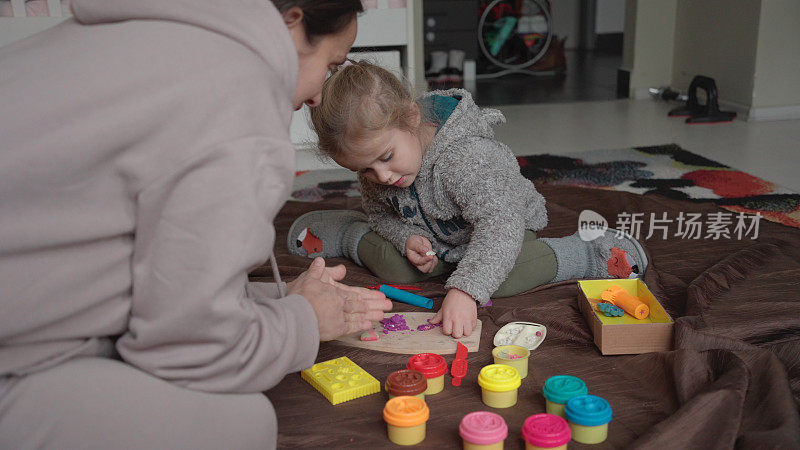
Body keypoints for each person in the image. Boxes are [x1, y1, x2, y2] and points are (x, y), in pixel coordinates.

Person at [0, 0, 392, 448]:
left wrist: (277, 296)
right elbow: (187, 350)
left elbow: (139, 257)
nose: (321, 93)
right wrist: (303, 321)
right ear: (292, 20)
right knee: (240, 421)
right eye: (331, 64)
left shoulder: (141, 32)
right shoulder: (234, 96)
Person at [288, 61, 648, 339]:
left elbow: (500, 226)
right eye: (364, 170)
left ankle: (586, 252)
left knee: (499, 281)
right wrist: (405, 238)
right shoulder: (378, 164)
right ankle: (349, 233)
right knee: (397, 268)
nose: (381, 177)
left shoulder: (467, 158)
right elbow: (381, 215)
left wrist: (465, 290)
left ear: (412, 118)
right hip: (439, 240)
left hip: (504, 229)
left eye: (385, 158)